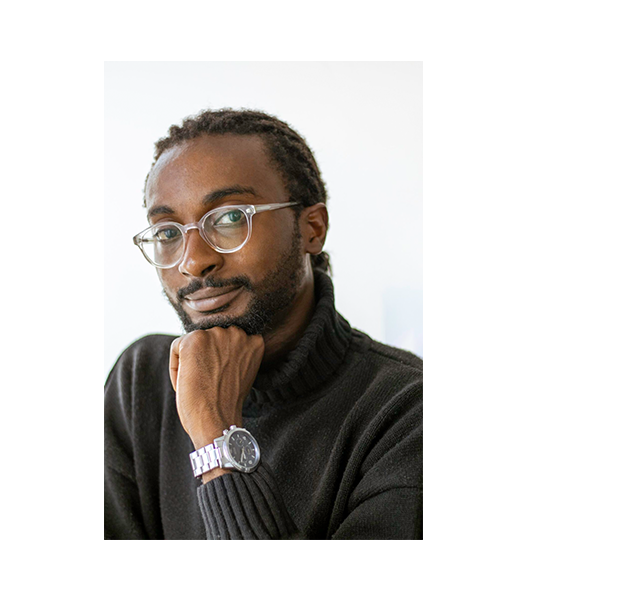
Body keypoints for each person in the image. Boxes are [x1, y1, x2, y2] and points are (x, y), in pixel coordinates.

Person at [104, 109, 423, 539]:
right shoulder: (141, 381)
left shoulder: (405, 413)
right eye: (167, 232)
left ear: (312, 229)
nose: (195, 261)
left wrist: (216, 436)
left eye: (231, 218)